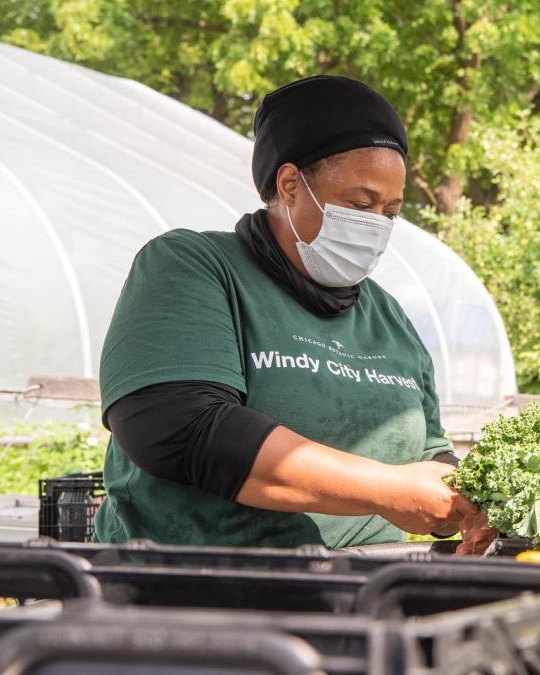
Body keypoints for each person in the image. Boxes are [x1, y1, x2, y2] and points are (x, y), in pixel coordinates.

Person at [92, 75, 489, 551]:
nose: (376, 225)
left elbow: (428, 448)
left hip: (367, 588)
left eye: (390, 212)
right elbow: (180, 428)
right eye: (361, 203)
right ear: (290, 184)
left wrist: (455, 501)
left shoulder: (387, 314)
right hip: (196, 591)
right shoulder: (193, 266)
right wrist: (388, 489)